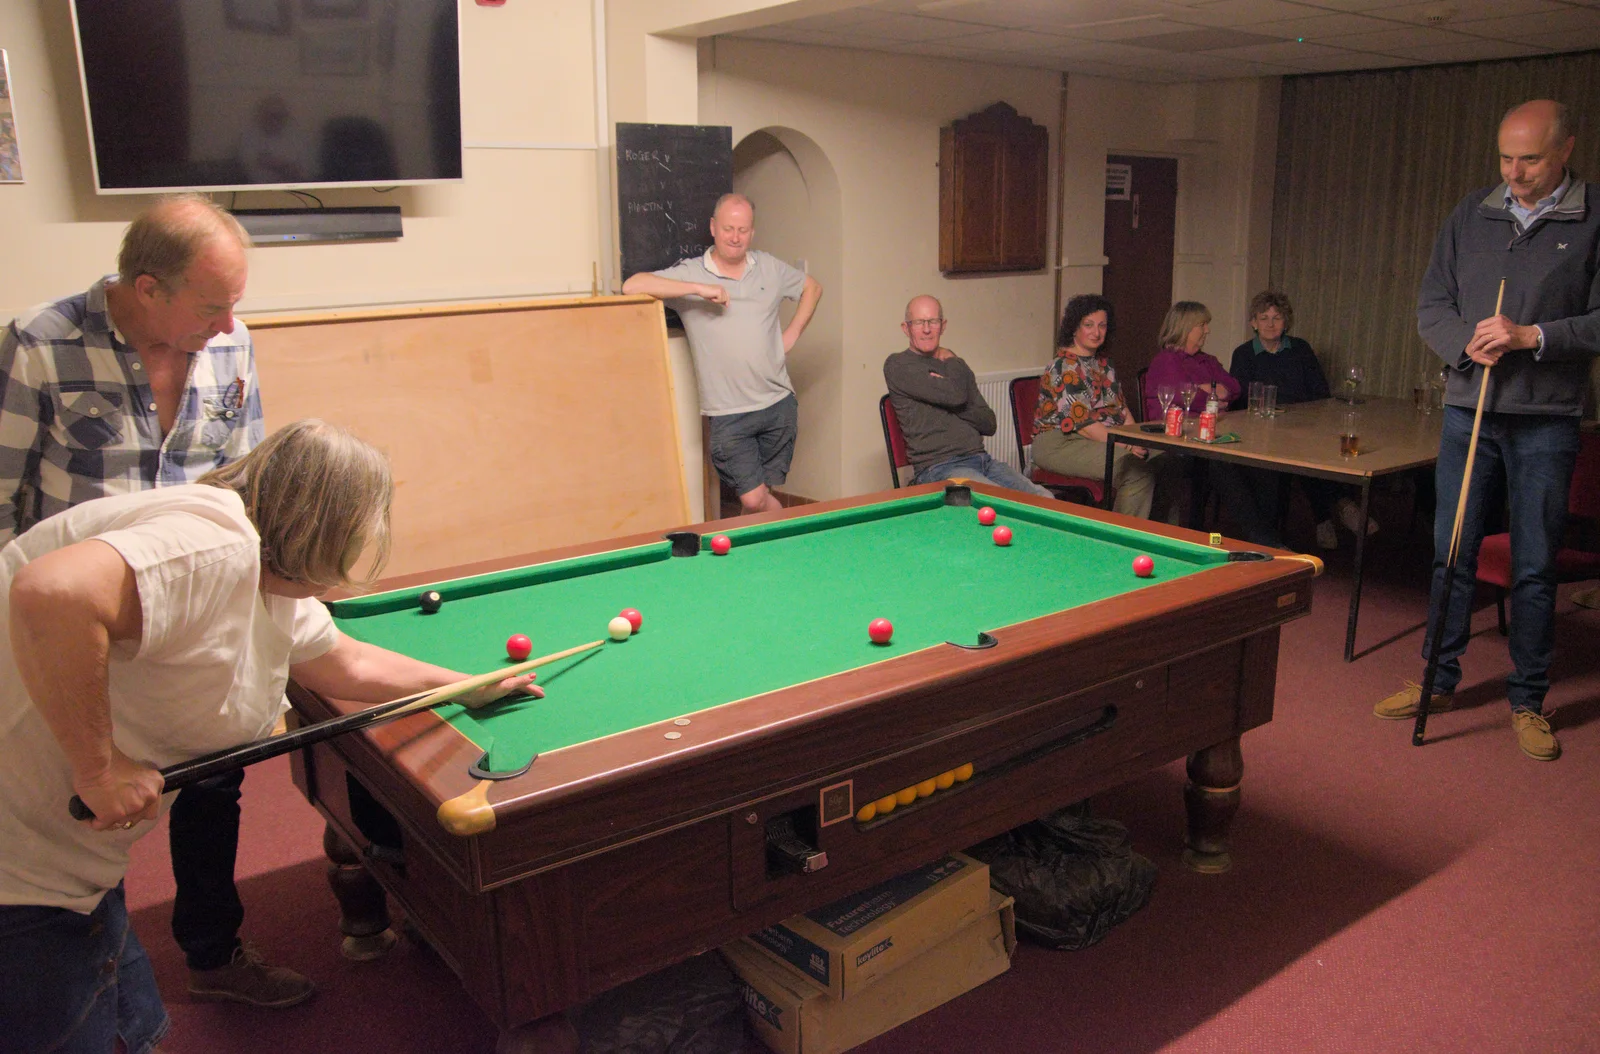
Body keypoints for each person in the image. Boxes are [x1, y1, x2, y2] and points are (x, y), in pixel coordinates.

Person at [0, 420, 539, 1054]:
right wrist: (99, 768)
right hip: (20, 865)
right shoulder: (216, 544)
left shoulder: (266, 574)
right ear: (325, 524)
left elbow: (345, 664)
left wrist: (467, 684)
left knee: (130, 1026)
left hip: (71, 858)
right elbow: (51, 593)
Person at [0, 195, 317, 1006]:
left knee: (214, 782)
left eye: (234, 303)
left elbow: (251, 484)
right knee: (74, 811)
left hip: (194, 612)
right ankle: (77, 964)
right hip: (74, 619)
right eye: (212, 305)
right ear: (146, 288)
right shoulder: (38, 347)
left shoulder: (229, 342)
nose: (228, 323)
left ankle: (211, 957)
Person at [1374, 99, 1599, 762]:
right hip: (1469, 409)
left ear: (1565, 150)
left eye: (1529, 158)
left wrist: (1533, 336)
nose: (1516, 171)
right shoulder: (1472, 213)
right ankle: (1438, 681)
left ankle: (1528, 698)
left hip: (1546, 421)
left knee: (1533, 564)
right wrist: (1465, 349)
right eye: (1506, 156)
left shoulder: (1592, 218)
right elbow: (1432, 303)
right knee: (1451, 555)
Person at [622, 193, 823, 515]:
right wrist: (699, 290)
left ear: (752, 233)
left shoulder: (769, 267)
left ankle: (754, 560)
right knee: (753, 499)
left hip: (777, 403)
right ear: (713, 227)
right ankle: (793, 530)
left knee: (759, 497)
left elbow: (812, 287)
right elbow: (632, 286)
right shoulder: (691, 273)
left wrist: (793, 333)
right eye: (729, 228)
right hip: (728, 413)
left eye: (743, 230)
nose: (735, 237)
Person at [1227, 291, 1373, 550]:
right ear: (1253, 322)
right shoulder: (1243, 354)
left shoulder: (1301, 349)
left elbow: (1320, 392)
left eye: (1277, 317)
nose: (1271, 324)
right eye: (1264, 318)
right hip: (1262, 430)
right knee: (1295, 454)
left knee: (1316, 450)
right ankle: (1334, 510)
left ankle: (1328, 516)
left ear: (1286, 322)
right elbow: (1239, 399)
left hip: (1304, 424)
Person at [1145, 301, 1289, 548]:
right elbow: (1182, 397)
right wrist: (1211, 393)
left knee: (1260, 462)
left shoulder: (1206, 360)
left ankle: (1266, 535)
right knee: (1221, 464)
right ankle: (1264, 541)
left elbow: (1234, 387)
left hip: (1210, 435)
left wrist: (1205, 392)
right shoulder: (1166, 360)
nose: (1207, 331)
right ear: (1186, 327)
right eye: (1202, 325)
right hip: (1176, 442)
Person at [883, 295, 1050, 496]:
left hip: (983, 461)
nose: (927, 329)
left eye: (933, 321)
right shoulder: (898, 365)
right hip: (939, 468)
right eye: (919, 322)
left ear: (943, 326)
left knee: (1044, 498)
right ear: (906, 328)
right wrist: (953, 387)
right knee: (1001, 500)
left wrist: (948, 383)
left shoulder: (956, 367)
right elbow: (955, 395)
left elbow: (988, 423)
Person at [1031, 294, 1172, 519]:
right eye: (1088, 325)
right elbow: (1083, 425)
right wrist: (1127, 446)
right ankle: (1122, 542)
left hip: (1103, 437)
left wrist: (1136, 439)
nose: (1096, 333)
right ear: (1074, 328)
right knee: (1136, 471)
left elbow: (1121, 410)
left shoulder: (1104, 364)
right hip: (1061, 442)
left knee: (1168, 460)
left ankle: (1164, 538)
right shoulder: (1063, 367)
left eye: (1102, 326)